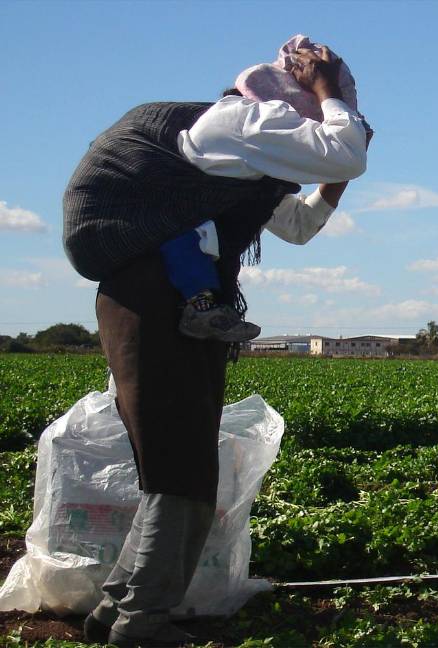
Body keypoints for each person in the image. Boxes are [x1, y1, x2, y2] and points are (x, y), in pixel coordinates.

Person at [62, 46, 368, 647]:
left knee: (180, 468)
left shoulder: (242, 161)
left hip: (176, 307)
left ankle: (117, 610)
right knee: (180, 472)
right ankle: (142, 623)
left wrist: (334, 174)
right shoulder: (235, 122)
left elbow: (297, 224)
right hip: (152, 300)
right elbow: (347, 151)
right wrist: (331, 92)